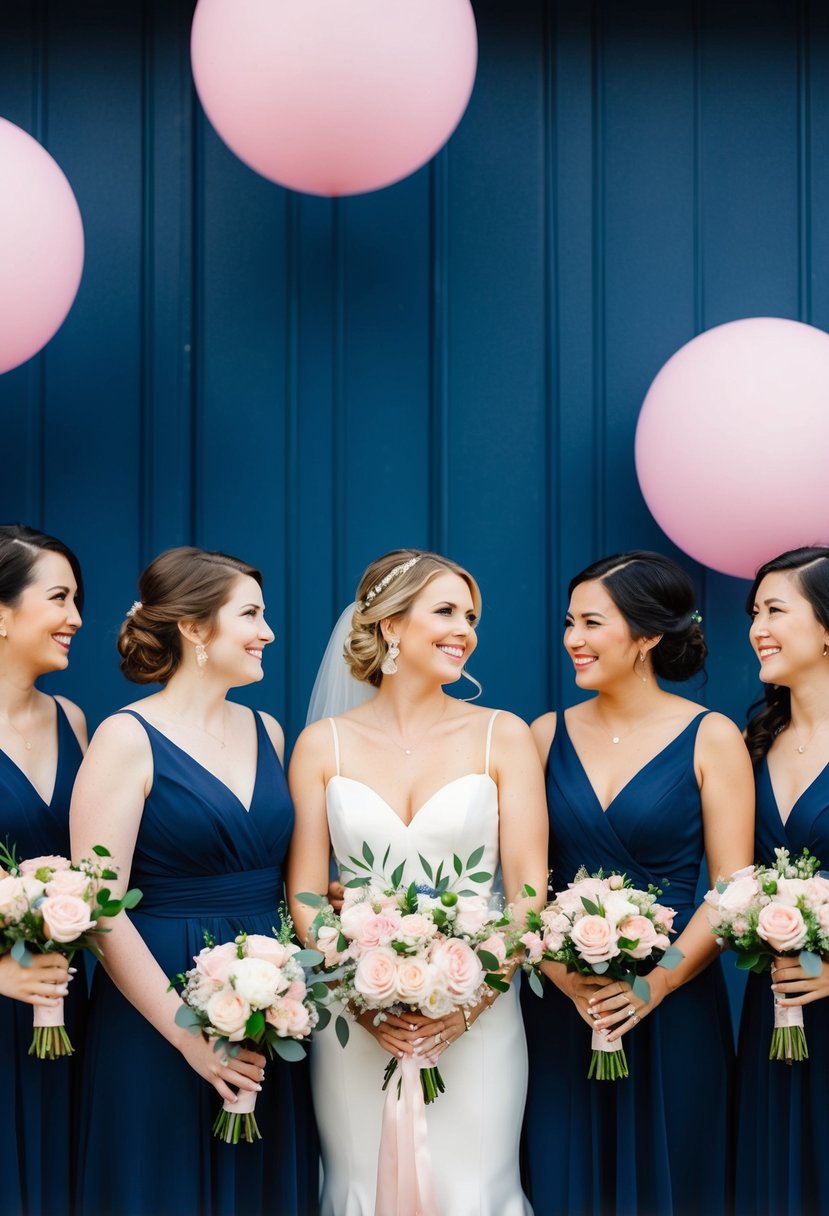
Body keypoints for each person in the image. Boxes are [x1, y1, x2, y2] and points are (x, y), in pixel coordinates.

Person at [288, 548, 548, 1216]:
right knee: (359, 1184)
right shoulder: (323, 745)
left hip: (481, 1014)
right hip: (354, 1017)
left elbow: (525, 892)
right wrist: (363, 996)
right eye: (445, 612)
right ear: (390, 625)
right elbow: (308, 894)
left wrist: (468, 999)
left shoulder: (502, 736)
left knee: (473, 1187)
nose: (465, 629)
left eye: (470, 616)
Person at [70, 546, 317, 1216]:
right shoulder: (127, 739)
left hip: (267, 1000)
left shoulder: (267, 729)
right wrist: (187, 1035)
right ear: (195, 628)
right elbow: (100, 907)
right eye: (251, 614)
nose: (267, 632)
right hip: (155, 1006)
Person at [521, 550, 754, 1216]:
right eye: (569, 622)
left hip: (674, 1003)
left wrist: (655, 984)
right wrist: (562, 976)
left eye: (591, 623)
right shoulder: (543, 736)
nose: (572, 639)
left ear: (647, 635)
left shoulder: (710, 737)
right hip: (563, 1004)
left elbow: (731, 888)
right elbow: (524, 881)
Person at [736, 546, 829, 1216]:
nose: (755, 627)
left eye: (774, 609)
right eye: (753, 611)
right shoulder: (753, 742)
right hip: (770, 1009)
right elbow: (725, 882)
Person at [0, 523, 87, 1216]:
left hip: (66, 1009)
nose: (76, 619)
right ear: (3, 610)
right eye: (59, 598)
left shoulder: (74, 722)